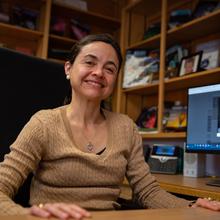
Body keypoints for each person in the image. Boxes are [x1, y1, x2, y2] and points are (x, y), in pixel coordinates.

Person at [0, 34, 219, 219]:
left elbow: (147, 191)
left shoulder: (126, 127)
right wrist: (28, 215)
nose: (98, 72)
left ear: (114, 80)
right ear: (68, 68)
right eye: (89, 62)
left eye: (110, 68)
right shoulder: (43, 123)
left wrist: (191, 206)